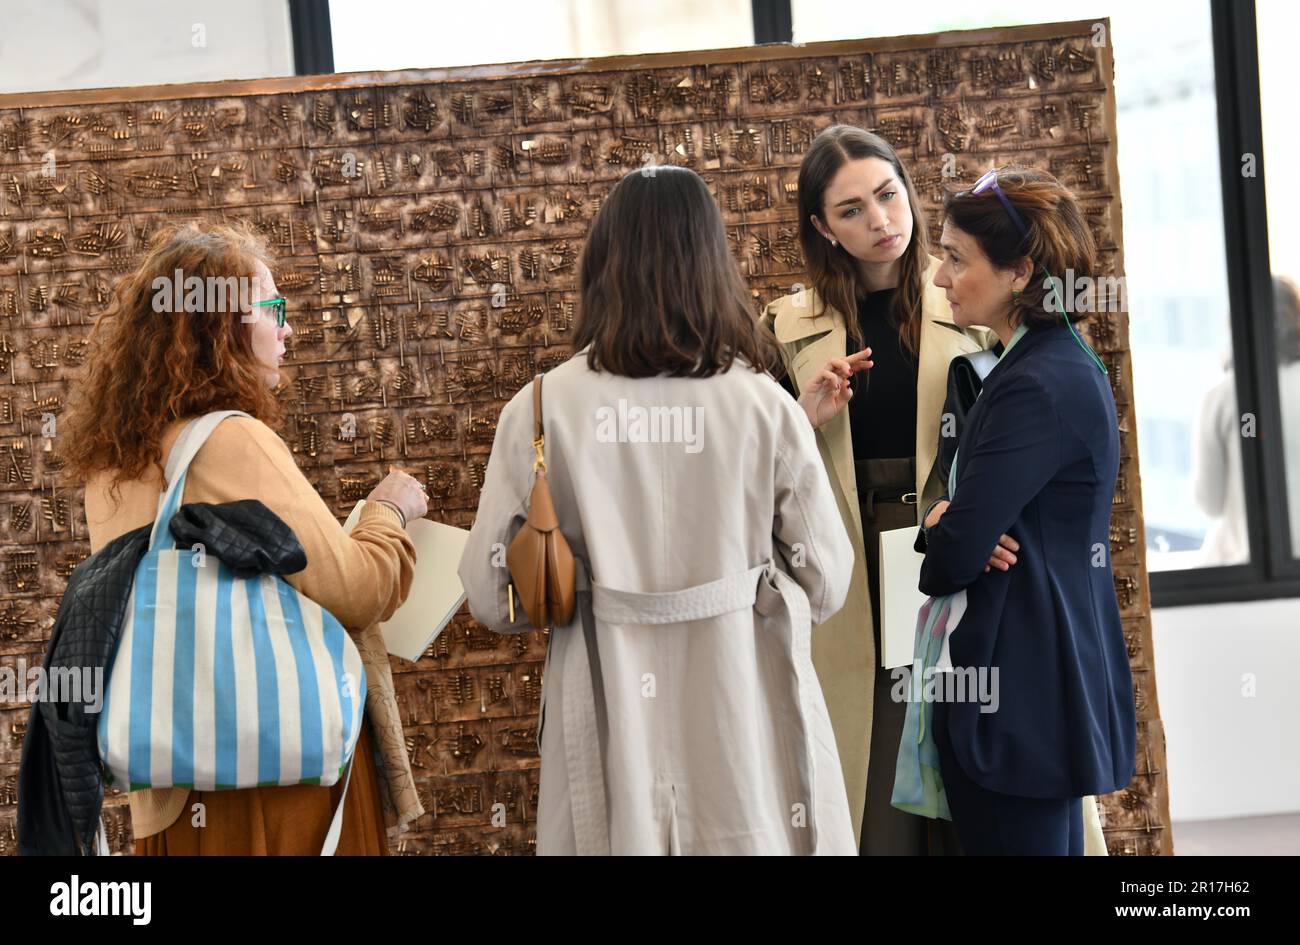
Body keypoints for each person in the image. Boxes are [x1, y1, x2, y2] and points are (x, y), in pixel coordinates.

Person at [459, 166, 857, 854]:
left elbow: (493, 597)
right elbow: (827, 577)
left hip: (606, 700)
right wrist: (740, 590)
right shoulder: (763, 406)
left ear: (601, 266)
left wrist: (592, 589)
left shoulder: (541, 407)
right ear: (712, 264)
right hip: (741, 705)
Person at [63, 222, 429, 854]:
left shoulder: (114, 461)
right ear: (219, 326)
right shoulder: (228, 439)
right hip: (273, 782)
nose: (287, 329)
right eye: (272, 309)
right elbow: (359, 589)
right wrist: (387, 513)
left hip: (173, 790)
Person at [761, 125, 997, 854]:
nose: (881, 222)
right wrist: (803, 414)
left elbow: (1015, 428)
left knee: (965, 739)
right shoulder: (783, 323)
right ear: (822, 227)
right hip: (847, 554)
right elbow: (752, 473)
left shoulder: (966, 298)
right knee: (870, 751)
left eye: (888, 195)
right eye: (852, 210)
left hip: (953, 543)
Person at [917, 166, 1136, 854]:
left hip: (1022, 699)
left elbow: (951, 555)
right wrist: (950, 525)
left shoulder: (1036, 383)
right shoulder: (1046, 362)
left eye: (956, 259)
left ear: (1021, 273)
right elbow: (961, 535)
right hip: (1033, 688)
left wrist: (945, 529)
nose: (941, 278)